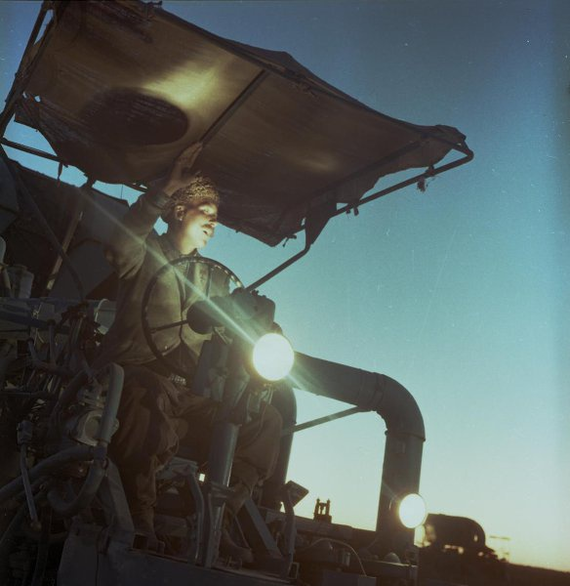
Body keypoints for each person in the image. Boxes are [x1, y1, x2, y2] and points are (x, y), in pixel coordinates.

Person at [97, 143, 282, 557]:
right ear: (179, 211)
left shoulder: (215, 279)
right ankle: (139, 518)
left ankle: (219, 517)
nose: (215, 223)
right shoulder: (144, 251)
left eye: (217, 216)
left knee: (264, 420)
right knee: (149, 393)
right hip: (133, 376)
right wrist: (161, 192)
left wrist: (263, 327)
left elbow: (232, 326)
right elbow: (118, 247)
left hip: (188, 392)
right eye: (207, 212)